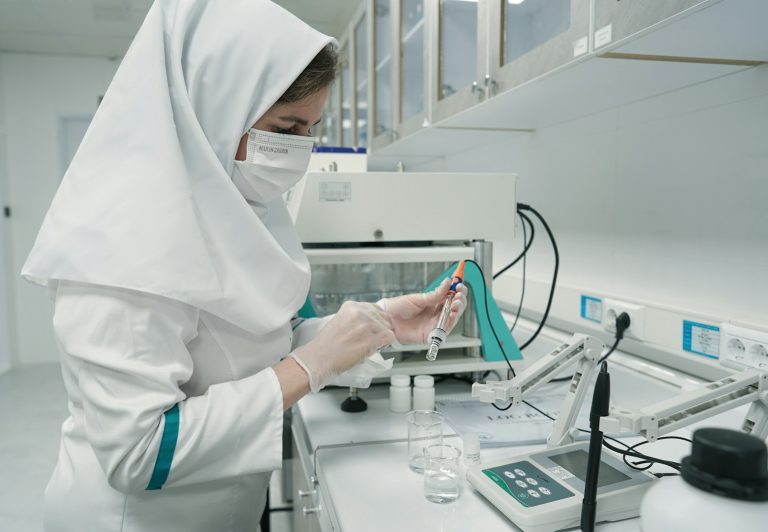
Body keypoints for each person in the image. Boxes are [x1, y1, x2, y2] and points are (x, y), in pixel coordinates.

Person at [21, 1, 467, 531]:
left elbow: (267, 338)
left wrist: (381, 326)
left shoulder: (241, 206)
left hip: (225, 509)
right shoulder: (120, 243)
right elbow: (137, 454)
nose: (302, 149)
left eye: (311, 127)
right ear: (214, 107)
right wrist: (308, 367)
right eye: (287, 126)